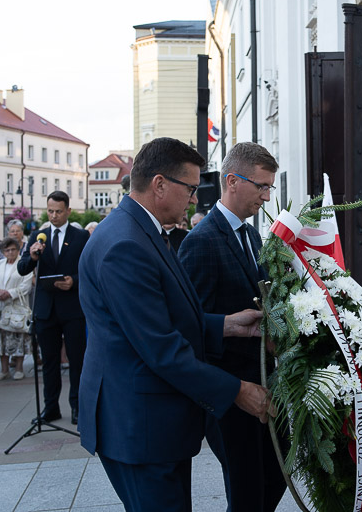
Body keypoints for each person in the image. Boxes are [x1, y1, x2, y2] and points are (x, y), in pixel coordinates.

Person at [78, 137, 271, 512]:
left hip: (150, 423)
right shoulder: (125, 245)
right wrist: (236, 390)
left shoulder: (141, 231)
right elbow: (160, 348)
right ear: (160, 184)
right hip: (139, 426)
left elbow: (166, 316)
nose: (195, 200)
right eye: (191, 188)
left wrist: (228, 326)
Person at [179, 141, 285, 512]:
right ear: (231, 181)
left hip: (263, 382)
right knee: (246, 494)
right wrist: (227, 392)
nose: (267, 197)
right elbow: (192, 329)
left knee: (273, 480)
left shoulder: (252, 234)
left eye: (270, 186)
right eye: (261, 186)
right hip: (230, 395)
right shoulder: (200, 242)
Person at [17, 191, 89, 425]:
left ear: (68, 210)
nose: (54, 215)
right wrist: (33, 257)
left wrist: (73, 281)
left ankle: (77, 406)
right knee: (49, 361)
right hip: (46, 309)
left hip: (72, 309)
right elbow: (22, 268)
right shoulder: (39, 237)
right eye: (50, 211)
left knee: (77, 360)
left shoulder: (80, 236)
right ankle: (51, 408)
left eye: (58, 211)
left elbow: (90, 269)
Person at [0, 238, 33, 380]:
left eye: (13, 249)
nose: (10, 252)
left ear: (18, 250)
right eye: (7, 250)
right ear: (2, 252)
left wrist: (9, 293)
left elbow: (26, 285)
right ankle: (4, 369)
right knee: (0, 339)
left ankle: (19, 368)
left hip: (16, 306)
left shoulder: (23, 264)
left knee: (18, 338)